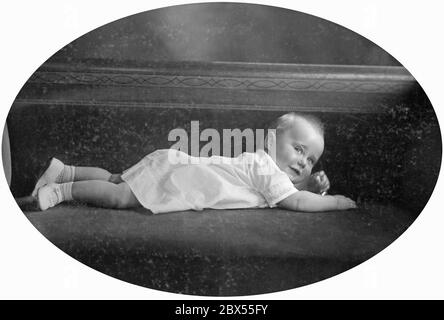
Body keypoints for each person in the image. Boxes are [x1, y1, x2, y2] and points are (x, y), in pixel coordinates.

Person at [33, 112, 356, 213]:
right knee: (121, 196)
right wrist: (337, 202)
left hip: (173, 165)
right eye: (298, 149)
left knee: (117, 178)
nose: (304, 161)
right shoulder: (264, 168)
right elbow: (295, 202)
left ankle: (64, 170)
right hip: (178, 176)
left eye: (311, 159)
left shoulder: (266, 170)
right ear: (271, 141)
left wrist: (310, 185)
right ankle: (63, 191)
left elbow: (291, 191)